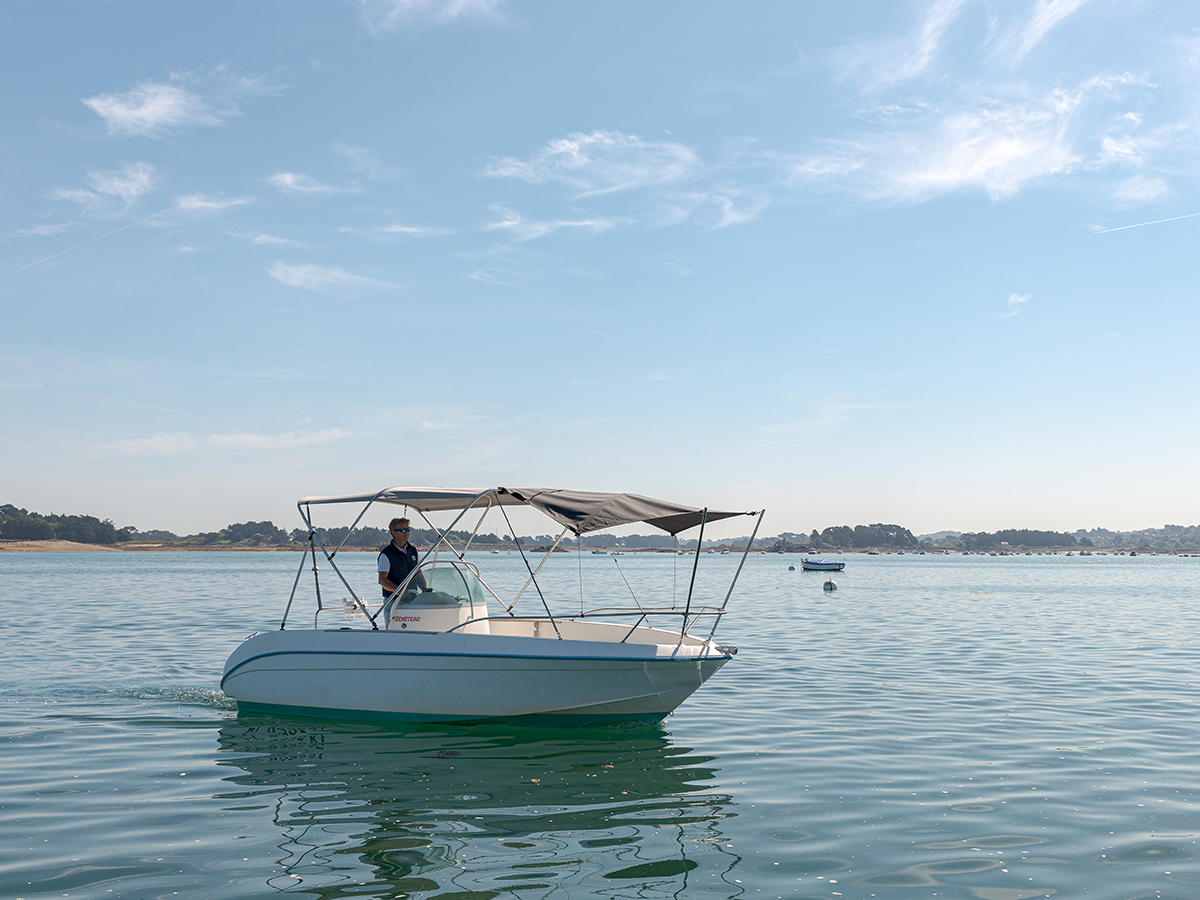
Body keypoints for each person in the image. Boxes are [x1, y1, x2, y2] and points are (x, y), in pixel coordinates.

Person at [378, 517, 427, 602]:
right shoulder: (386, 554)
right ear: (393, 533)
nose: (406, 533)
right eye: (403, 530)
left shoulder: (413, 551)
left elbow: (418, 572)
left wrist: (425, 589)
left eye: (408, 529)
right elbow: (382, 580)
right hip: (393, 600)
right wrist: (398, 590)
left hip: (412, 599)